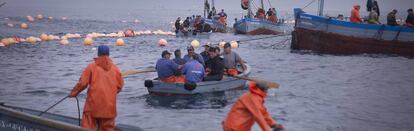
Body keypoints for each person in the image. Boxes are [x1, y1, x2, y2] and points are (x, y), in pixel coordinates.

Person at [68, 45, 124, 130]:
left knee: (87, 127)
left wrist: (73, 93)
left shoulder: (91, 67)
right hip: (109, 107)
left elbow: (82, 83)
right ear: (109, 54)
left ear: (98, 54)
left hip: (93, 106)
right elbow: (120, 86)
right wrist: (109, 93)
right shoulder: (116, 69)